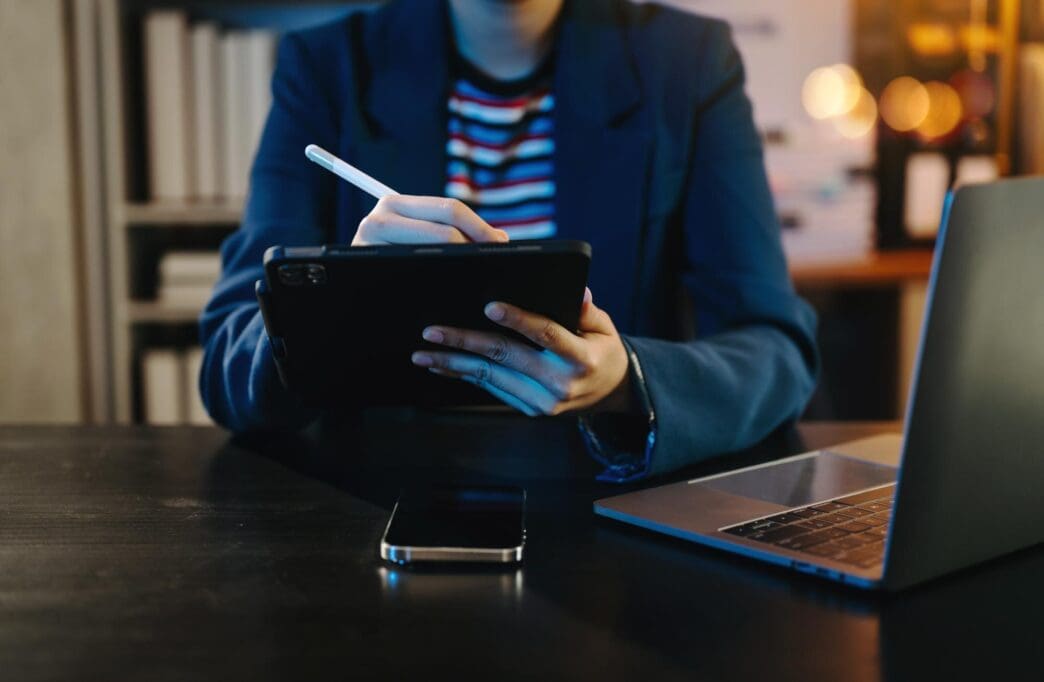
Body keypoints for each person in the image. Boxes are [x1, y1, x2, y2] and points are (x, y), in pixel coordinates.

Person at [199, 0, 819, 482]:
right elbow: (227, 361)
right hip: (364, 509)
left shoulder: (687, 63)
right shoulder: (327, 65)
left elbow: (775, 350)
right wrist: (334, 303)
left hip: (609, 505)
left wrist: (627, 381)